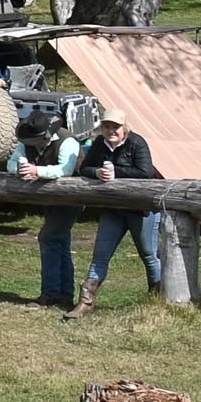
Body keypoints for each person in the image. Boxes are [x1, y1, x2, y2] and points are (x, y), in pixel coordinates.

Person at [75, 108, 164, 315]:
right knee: (100, 256)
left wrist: (116, 171)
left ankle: (157, 301)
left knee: (149, 255)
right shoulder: (99, 143)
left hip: (139, 209)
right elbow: (84, 168)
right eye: (106, 126)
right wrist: (97, 172)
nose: (110, 130)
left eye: (115, 127)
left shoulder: (137, 143)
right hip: (113, 208)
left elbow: (145, 173)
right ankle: (85, 303)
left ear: (124, 128)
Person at [8, 116, 87, 309]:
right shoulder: (27, 140)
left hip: (72, 198)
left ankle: (51, 294)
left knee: (48, 237)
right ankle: (64, 296)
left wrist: (37, 171)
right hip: (50, 199)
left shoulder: (67, 141)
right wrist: (20, 169)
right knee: (60, 243)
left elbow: (66, 170)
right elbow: (10, 163)